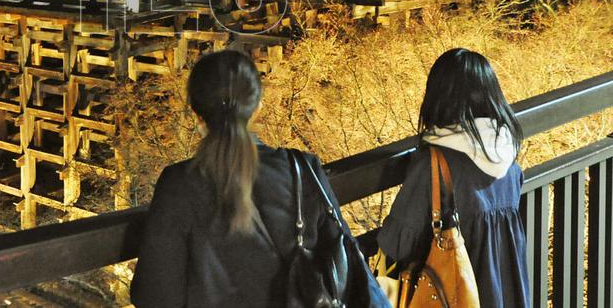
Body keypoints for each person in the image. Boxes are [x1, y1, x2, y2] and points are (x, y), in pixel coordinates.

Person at [131, 50, 388, 307]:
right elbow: (346, 258)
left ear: (196, 113)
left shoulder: (177, 184)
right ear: (257, 109)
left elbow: (156, 296)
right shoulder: (302, 169)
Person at [378, 48, 529, 307]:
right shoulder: (508, 162)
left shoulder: (433, 165)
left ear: (439, 98)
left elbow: (397, 244)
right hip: (506, 294)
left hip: (455, 297)